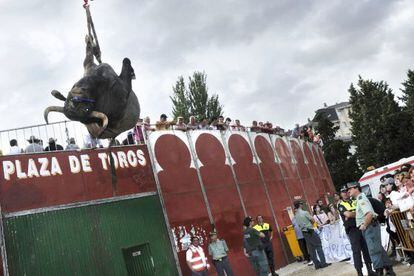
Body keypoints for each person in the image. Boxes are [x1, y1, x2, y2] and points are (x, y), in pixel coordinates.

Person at [348, 182, 395, 276]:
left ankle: (379, 272)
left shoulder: (361, 199)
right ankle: (389, 270)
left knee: (373, 251)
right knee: (378, 249)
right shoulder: (360, 199)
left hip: (369, 227)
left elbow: (369, 214)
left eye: (350, 189)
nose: (348, 191)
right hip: (371, 226)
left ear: (356, 188)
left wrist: (364, 225)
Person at [338, 185, 375, 276]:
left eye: (347, 191)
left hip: (361, 226)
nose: (346, 193)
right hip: (352, 230)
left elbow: (351, 215)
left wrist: (353, 214)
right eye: (343, 192)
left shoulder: (355, 200)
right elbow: (348, 214)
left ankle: (370, 270)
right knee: (356, 251)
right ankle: (359, 272)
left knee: (366, 249)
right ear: (341, 194)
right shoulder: (340, 204)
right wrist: (357, 213)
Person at [293, 200, 330, 270]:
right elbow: (313, 220)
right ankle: (323, 263)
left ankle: (317, 265)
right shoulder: (305, 212)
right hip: (310, 231)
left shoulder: (296, 216)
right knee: (318, 246)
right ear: (300, 205)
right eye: (302, 204)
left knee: (311, 249)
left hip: (304, 233)